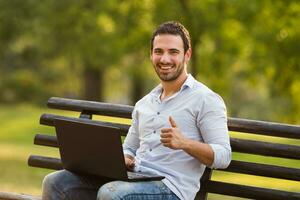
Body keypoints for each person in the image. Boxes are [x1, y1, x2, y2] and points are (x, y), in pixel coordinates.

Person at [42, 21, 231, 200]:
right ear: (151, 55)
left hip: (171, 188)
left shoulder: (205, 99)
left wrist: (185, 143)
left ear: (187, 55)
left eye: (173, 52)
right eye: (158, 51)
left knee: (111, 194)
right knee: (56, 182)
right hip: (134, 178)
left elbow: (224, 156)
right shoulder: (145, 103)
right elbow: (130, 147)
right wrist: (125, 157)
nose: (165, 59)